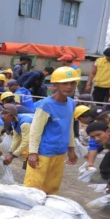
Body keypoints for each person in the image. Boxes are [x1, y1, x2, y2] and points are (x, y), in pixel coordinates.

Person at [24, 67, 79, 195]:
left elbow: (69, 126)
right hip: (43, 154)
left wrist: (71, 148)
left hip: (60, 152)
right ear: (55, 85)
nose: (69, 86)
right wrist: (32, 153)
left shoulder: (71, 103)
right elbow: (35, 131)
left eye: (72, 83)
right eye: (65, 83)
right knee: (33, 188)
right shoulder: (46, 105)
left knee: (52, 188)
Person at [86, 122, 110, 200]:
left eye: (98, 135)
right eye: (93, 137)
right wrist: (90, 163)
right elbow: (93, 147)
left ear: (108, 131)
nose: (96, 139)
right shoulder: (108, 140)